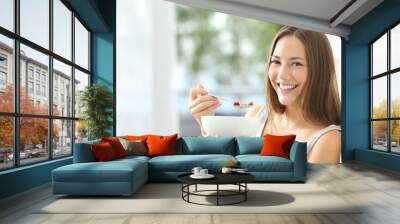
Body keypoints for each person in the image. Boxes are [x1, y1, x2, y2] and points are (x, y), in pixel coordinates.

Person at [188, 26, 341, 164]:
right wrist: (205, 121)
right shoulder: (257, 115)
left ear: (320, 72)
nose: (282, 75)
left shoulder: (328, 139)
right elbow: (228, 165)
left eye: (296, 63)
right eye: (276, 62)